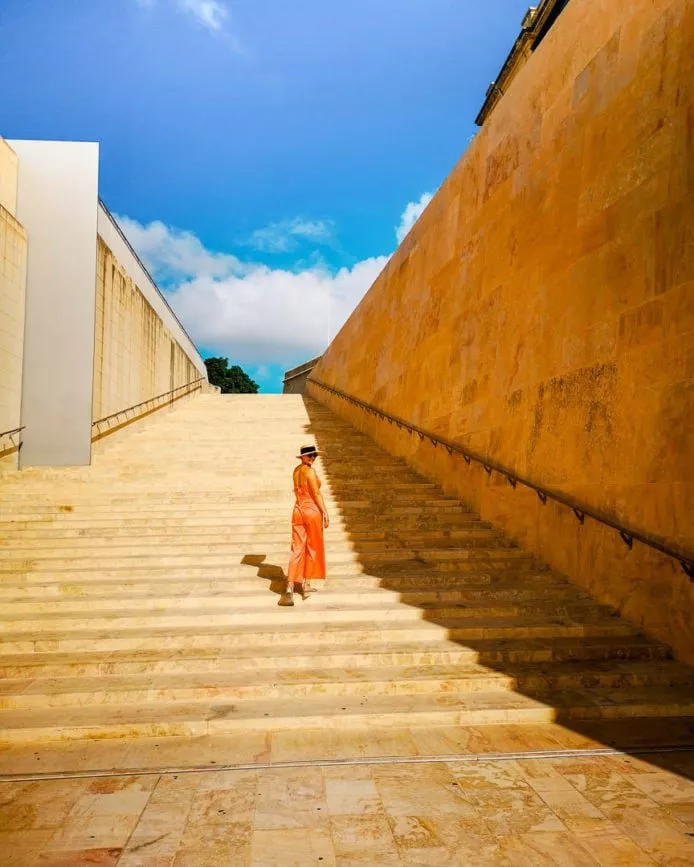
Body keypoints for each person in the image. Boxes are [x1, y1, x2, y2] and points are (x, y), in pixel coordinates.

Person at [281, 445, 329, 605]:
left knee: (296, 548)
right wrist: (325, 512)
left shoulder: (296, 471)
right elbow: (316, 493)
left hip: (297, 510)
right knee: (312, 547)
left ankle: (290, 587)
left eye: (314, 455)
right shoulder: (310, 472)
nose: (313, 458)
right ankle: (306, 584)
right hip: (311, 511)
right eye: (310, 456)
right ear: (303, 457)